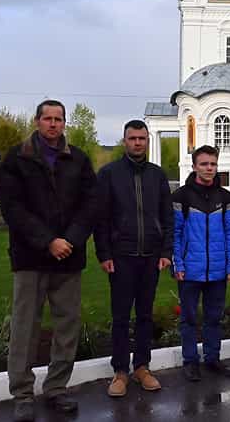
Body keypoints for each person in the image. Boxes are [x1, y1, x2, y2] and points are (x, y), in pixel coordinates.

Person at [0, 99, 97, 422]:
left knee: (67, 325)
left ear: (64, 123)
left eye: (58, 119)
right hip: (31, 257)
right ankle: (23, 393)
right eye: (47, 118)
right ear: (37, 121)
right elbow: (13, 209)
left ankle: (56, 388)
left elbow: (90, 205)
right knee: (25, 326)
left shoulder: (78, 160)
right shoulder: (17, 159)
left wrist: (69, 240)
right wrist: (48, 241)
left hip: (69, 257)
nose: (53, 124)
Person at [94, 120, 174, 395]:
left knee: (145, 315)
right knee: (120, 317)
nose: (138, 142)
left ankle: (142, 367)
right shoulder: (109, 174)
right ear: (125, 140)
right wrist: (104, 253)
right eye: (133, 138)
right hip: (121, 256)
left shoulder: (157, 175)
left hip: (151, 256)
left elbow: (167, 216)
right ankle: (120, 371)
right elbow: (101, 218)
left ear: (147, 140)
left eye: (142, 138)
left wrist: (166, 251)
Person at [172, 145, 230, 382]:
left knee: (214, 317)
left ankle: (212, 358)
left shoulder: (226, 197)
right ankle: (190, 361)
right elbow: (175, 233)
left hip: (218, 270)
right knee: (189, 318)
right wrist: (177, 264)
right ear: (194, 166)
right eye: (204, 164)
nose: (209, 168)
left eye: (213, 164)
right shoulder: (181, 196)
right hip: (190, 270)